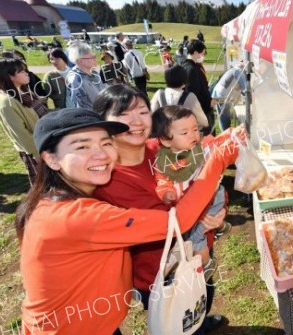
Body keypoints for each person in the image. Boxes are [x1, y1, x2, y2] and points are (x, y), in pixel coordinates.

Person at [16, 107, 237, 334]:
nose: (100, 154)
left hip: (97, 324)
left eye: (106, 143)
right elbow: (177, 222)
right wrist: (217, 162)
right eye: (82, 146)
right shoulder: (75, 217)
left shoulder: (55, 200)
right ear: (51, 159)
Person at [93, 85, 231, 333]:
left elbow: (205, 176)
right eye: (124, 114)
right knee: (178, 319)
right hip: (162, 271)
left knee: (203, 296)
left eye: (143, 111)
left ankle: (201, 320)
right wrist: (216, 166)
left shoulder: (164, 146)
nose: (136, 121)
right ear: (104, 123)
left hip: (199, 248)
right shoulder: (110, 179)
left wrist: (218, 213)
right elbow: (173, 222)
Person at [151, 106, 234, 278]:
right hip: (190, 210)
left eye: (195, 129)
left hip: (211, 197)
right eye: (185, 133)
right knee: (194, 234)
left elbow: (216, 141)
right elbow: (162, 181)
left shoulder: (200, 147)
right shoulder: (165, 162)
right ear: (166, 141)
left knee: (196, 233)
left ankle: (208, 257)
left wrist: (231, 133)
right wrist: (166, 193)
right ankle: (208, 256)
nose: (193, 135)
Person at [0, 58, 40, 185]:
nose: (27, 73)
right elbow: (20, 134)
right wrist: (38, 154)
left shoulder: (20, 91)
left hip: (40, 145)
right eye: (21, 71)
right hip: (33, 151)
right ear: (9, 76)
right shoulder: (5, 101)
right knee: (44, 188)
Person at [150, 64, 208, 128]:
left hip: (163, 133)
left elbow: (151, 115)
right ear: (184, 79)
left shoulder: (159, 94)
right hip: (184, 133)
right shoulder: (190, 97)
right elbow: (203, 121)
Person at [181, 39, 214, 135]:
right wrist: (208, 103)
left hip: (204, 109)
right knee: (207, 139)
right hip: (201, 112)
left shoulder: (193, 66)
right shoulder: (190, 70)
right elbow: (193, 96)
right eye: (203, 54)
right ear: (195, 53)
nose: (203, 57)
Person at [66, 42, 107, 109]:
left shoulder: (94, 72)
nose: (95, 59)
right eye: (92, 57)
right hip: (92, 117)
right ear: (80, 61)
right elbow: (81, 107)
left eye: (95, 56)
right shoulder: (75, 79)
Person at [211, 60, 248, 131]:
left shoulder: (235, 69)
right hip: (223, 95)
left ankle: (225, 132)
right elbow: (246, 88)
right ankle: (226, 133)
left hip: (220, 93)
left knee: (222, 116)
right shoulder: (238, 71)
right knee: (225, 118)